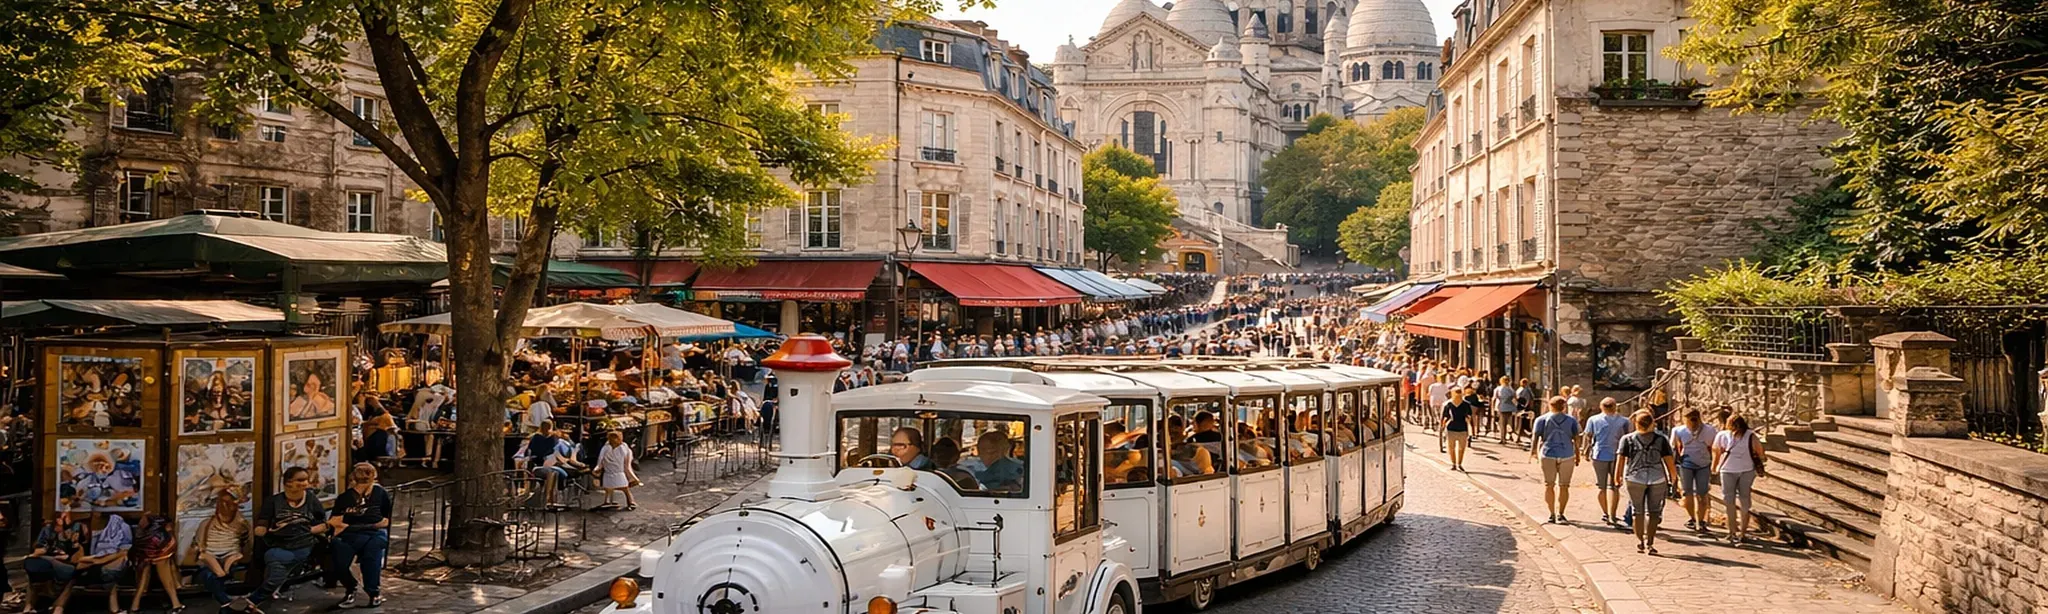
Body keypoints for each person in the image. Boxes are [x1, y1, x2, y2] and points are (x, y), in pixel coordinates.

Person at [232, 466, 329, 613]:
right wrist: (262, 529)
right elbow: (263, 522)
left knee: (276, 573)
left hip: (303, 544)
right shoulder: (273, 501)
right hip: (278, 544)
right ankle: (251, 602)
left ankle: (248, 602)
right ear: (288, 483)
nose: (305, 483)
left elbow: (321, 520)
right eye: (300, 480)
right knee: (274, 564)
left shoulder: (311, 499)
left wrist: (312, 529)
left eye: (306, 480)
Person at [329, 463, 392, 608]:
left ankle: (373, 592)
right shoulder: (345, 498)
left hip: (374, 533)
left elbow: (385, 521)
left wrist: (368, 526)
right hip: (351, 533)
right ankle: (351, 587)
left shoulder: (380, 493)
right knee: (340, 558)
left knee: (372, 554)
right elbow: (336, 521)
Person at [1616, 410, 1679, 555]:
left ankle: (1640, 541)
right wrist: (1673, 476)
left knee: (1637, 511)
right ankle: (1650, 543)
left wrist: (1617, 476)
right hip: (1657, 478)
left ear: (1635, 423)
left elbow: (1621, 459)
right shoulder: (1661, 439)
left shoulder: (1627, 439)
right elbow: (1669, 459)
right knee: (1654, 512)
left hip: (1634, 478)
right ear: (1652, 423)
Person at [54, 513, 129, 614]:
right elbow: (76, 559)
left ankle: (115, 609)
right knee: (73, 576)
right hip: (85, 565)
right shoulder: (79, 528)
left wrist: (97, 560)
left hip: (99, 563)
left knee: (110, 575)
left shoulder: (113, 530)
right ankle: (58, 608)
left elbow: (119, 553)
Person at [188, 491, 250, 608]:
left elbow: (245, 545)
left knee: (222, 574)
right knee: (210, 575)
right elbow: (198, 546)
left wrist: (236, 557)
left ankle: (227, 603)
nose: (224, 506)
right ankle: (227, 602)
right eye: (221, 502)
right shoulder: (207, 523)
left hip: (231, 557)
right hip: (209, 557)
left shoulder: (241, 524)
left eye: (228, 502)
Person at [1713, 413, 1767, 544]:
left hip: (1727, 470)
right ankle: (1743, 532)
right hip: (1746, 470)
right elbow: (1760, 452)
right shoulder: (1751, 435)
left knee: (1729, 501)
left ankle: (1732, 531)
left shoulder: (1722, 435)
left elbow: (1716, 452)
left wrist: (1714, 467)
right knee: (1744, 501)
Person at [1529, 396, 1580, 524]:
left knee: (1549, 485)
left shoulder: (1541, 419)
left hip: (1548, 454)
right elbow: (1576, 438)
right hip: (1567, 454)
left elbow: (1535, 437)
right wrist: (1578, 454)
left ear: (1550, 405)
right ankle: (1561, 514)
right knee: (1564, 486)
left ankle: (1551, 514)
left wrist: (1533, 452)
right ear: (1564, 406)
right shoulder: (1571, 420)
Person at [23, 516, 87, 614]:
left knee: (72, 574)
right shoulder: (48, 530)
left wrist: (73, 549)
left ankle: (57, 608)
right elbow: (38, 550)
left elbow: (77, 557)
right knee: (33, 572)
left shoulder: (77, 530)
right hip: (47, 560)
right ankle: (29, 607)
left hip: (65, 564)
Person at [1581, 397, 1630, 526]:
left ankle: (1606, 513)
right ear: (1615, 406)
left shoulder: (1593, 420)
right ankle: (1612, 515)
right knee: (1614, 486)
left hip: (1599, 455)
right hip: (1617, 455)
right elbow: (1628, 438)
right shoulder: (1624, 421)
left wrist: (1585, 451)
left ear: (1601, 407)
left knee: (1601, 487)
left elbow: (1588, 436)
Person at [1671, 408, 1719, 535]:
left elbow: (1714, 448)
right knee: (1687, 493)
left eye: (1694, 420)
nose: (1693, 423)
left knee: (1702, 494)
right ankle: (1693, 518)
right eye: (1690, 420)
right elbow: (1674, 448)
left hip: (1703, 464)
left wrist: (1714, 465)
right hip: (1686, 464)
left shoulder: (1709, 430)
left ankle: (1701, 521)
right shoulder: (1678, 431)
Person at [128, 514, 185, 613]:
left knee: (144, 576)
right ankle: (176, 604)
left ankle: (134, 606)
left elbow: (140, 529)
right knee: (165, 576)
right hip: (159, 545)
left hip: (146, 546)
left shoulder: (147, 519)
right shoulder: (161, 526)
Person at [596, 430, 640, 510]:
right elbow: (627, 465)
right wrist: (634, 478)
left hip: (611, 473)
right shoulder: (623, 448)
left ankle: (608, 501)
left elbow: (600, 461)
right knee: (624, 489)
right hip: (616, 473)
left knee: (611, 488)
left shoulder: (606, 448)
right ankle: (630, 502)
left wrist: (597, 469)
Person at [1440, 387, 1474, 472]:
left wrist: (1471, 429)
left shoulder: (1466, 404)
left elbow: (1470, 417)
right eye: (1456, 392)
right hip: (1451, 429)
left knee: (1461, 448)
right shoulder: (1448, 404)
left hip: (1463, 429)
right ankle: (1454, 464)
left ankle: (1459, 463)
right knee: (1451, 448)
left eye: (1459, 392)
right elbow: (1445, 416)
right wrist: (1442, 426)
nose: (1458, 395)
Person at [1491, 376, 1519, 444]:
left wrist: (1493, 407)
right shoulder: (1511, 389)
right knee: (1509, 423)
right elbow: (1515, 398)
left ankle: (1503, 438)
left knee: (1502, 423)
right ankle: (1510, 435)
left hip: (1501, 407)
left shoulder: (1498, 389)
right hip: (1510, 407)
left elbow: (1494, 398)